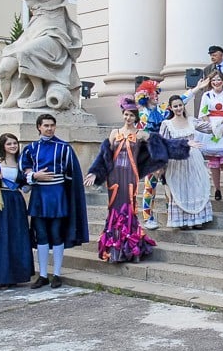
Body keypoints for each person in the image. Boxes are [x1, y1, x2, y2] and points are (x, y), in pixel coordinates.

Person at [85, 97, 201, 262]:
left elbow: (163, 144)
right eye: (126, 114)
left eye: (131, 115)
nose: (128, 118)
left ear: (136, 117)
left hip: (130, 176)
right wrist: (94, 173)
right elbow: (104, 157)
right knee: (114, 210)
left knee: (129, 209)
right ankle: (115, 248)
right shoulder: (114, 133)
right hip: (114, 176)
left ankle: (128, 247)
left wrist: (184, 144)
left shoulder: (141, 134)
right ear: (123, 115)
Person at [0, 0, 82, 111]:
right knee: (4, 69)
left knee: (25, 52)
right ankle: (7, 105)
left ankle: (38, 89)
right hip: (33, 30)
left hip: (54, 31)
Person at [21, 113, 89, 288]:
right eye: (46, 125)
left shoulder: (64, 147)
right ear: (39, 127)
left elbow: (70, 174)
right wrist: (34, 175)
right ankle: (43, 274)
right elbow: (24, 171)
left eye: (52, 125)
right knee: (41, 235)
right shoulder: (31, 148)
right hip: (39, 196)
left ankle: (57, 274)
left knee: (57, 234)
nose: (49, 128)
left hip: (57, 195)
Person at [0, 133, 34, 288]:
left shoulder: (22, 164)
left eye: (14, 143)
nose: (12, 146)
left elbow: (25, 188)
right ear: (3, 146)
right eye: (9, 144)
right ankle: (0, 275)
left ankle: (16, 274)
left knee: (16, 237)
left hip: (15, 202)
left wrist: (33, 179)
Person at [160, 95, 213, 230]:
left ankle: (197, 219)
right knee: (180, 187)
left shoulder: (191, 120)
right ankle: (182, 220)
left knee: (195, 186)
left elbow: (208, 127)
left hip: (193, 159)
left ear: (183, 106)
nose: (178, 108)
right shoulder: (167, 124)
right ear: (171, 108)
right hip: (177, 160)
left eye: (180, 105)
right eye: (175, 106)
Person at [196, 69, 223, 201]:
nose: (216, 82)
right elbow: (203, 113)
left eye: (219, 79)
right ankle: (217, 189)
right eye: (213, 80)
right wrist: (211, 127)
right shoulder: (207, 95)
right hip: (211, 128)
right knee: (213, 162)